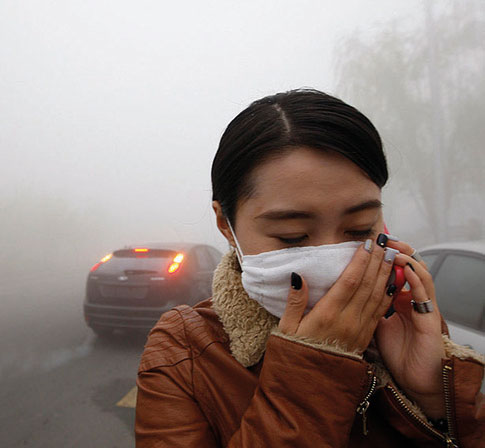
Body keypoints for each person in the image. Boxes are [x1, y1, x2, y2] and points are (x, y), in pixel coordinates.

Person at [135, 89, 485, 447]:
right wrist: (314, 373)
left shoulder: (404, 323)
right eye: (292, 236)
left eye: (360, 229)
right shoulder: (184, 352)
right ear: (226, 224)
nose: (333, 264)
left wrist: (434, 400)